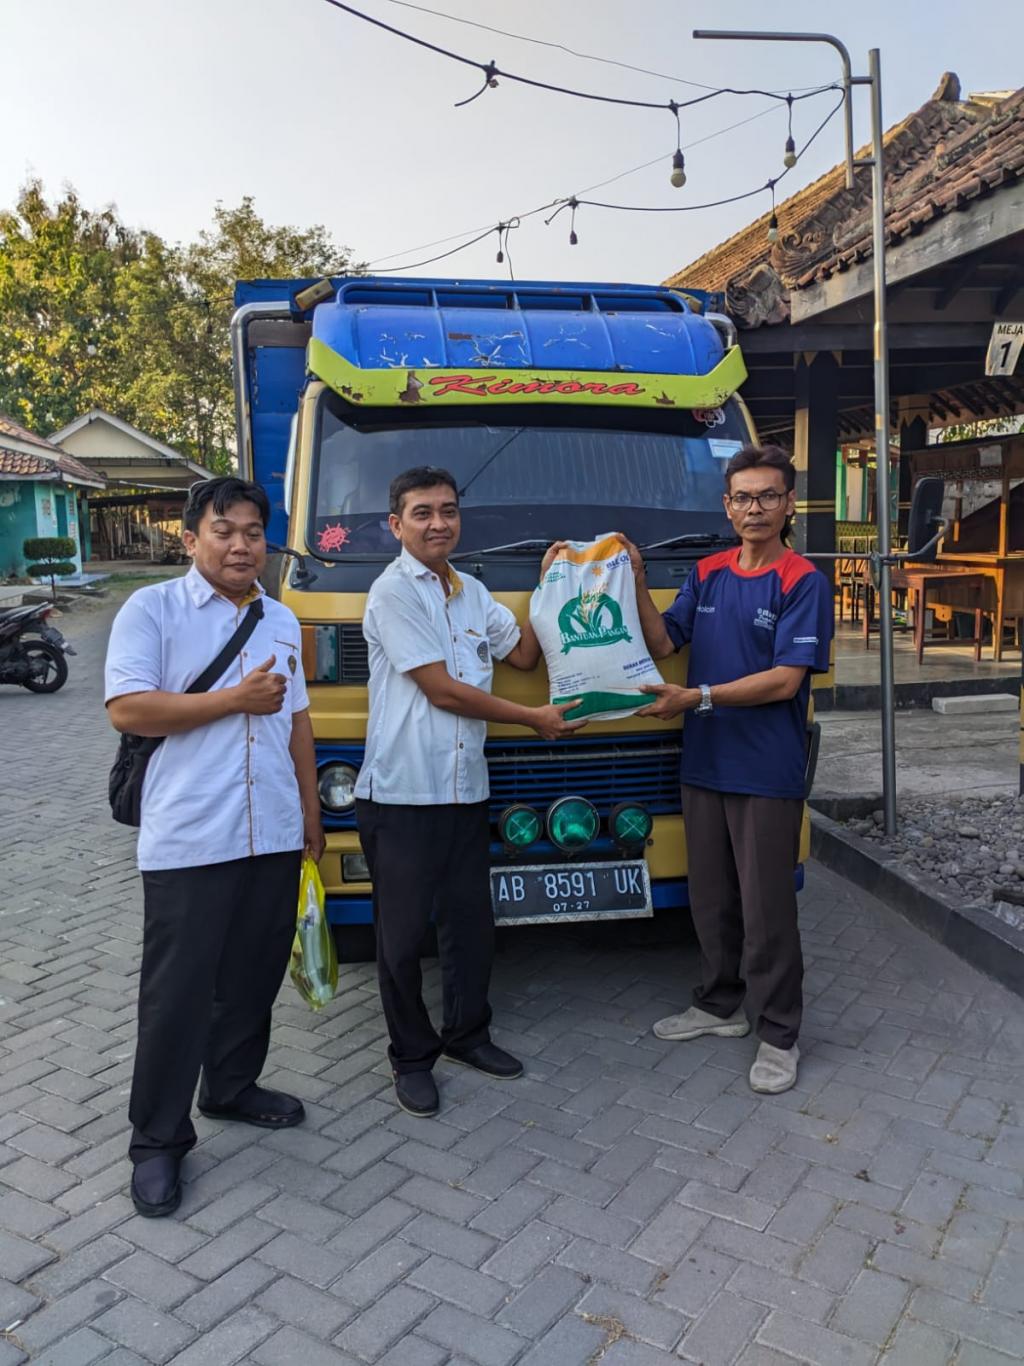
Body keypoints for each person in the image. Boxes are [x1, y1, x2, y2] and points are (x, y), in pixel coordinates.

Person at [104, 476, 324, 1217]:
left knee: (252, 977)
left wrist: (309, 810)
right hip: (191, 837)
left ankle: (230, 1087)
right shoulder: (153, 609)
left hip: (271, 833)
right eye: (223, 531)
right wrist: (233, 699)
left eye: (253, 532)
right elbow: (128, 708)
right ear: (191, 537)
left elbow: (297, 719)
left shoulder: (281, 619)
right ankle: (157, 1141)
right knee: (178, 994)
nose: (240, 545)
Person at [355, 466, 581, 1118]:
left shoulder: (473, 592)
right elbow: (443, 691)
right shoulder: (391, 593)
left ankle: (467, 1035)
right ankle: (411, 1057)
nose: (439, 523)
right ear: (396, 525)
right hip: (401, 793)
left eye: (448, 511)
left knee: (470, 925)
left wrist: (552, 584)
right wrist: (534, 719)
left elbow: (523, 656)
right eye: (422, 512)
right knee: (402, 940)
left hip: (463, 789)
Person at [620, 444, 832, 1094]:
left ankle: (779, 1033)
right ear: (727, 506)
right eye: (743, 497)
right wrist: (635, 578)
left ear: (789, 504)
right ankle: (719, 1005)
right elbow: (665, 640)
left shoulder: (802, 580)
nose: (754, 508)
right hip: (705, 762)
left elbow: (785, 679)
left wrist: (698, 698)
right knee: (711, 898)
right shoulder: (708, 572)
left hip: (765, 768)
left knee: (767, 908)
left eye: (768, 496)